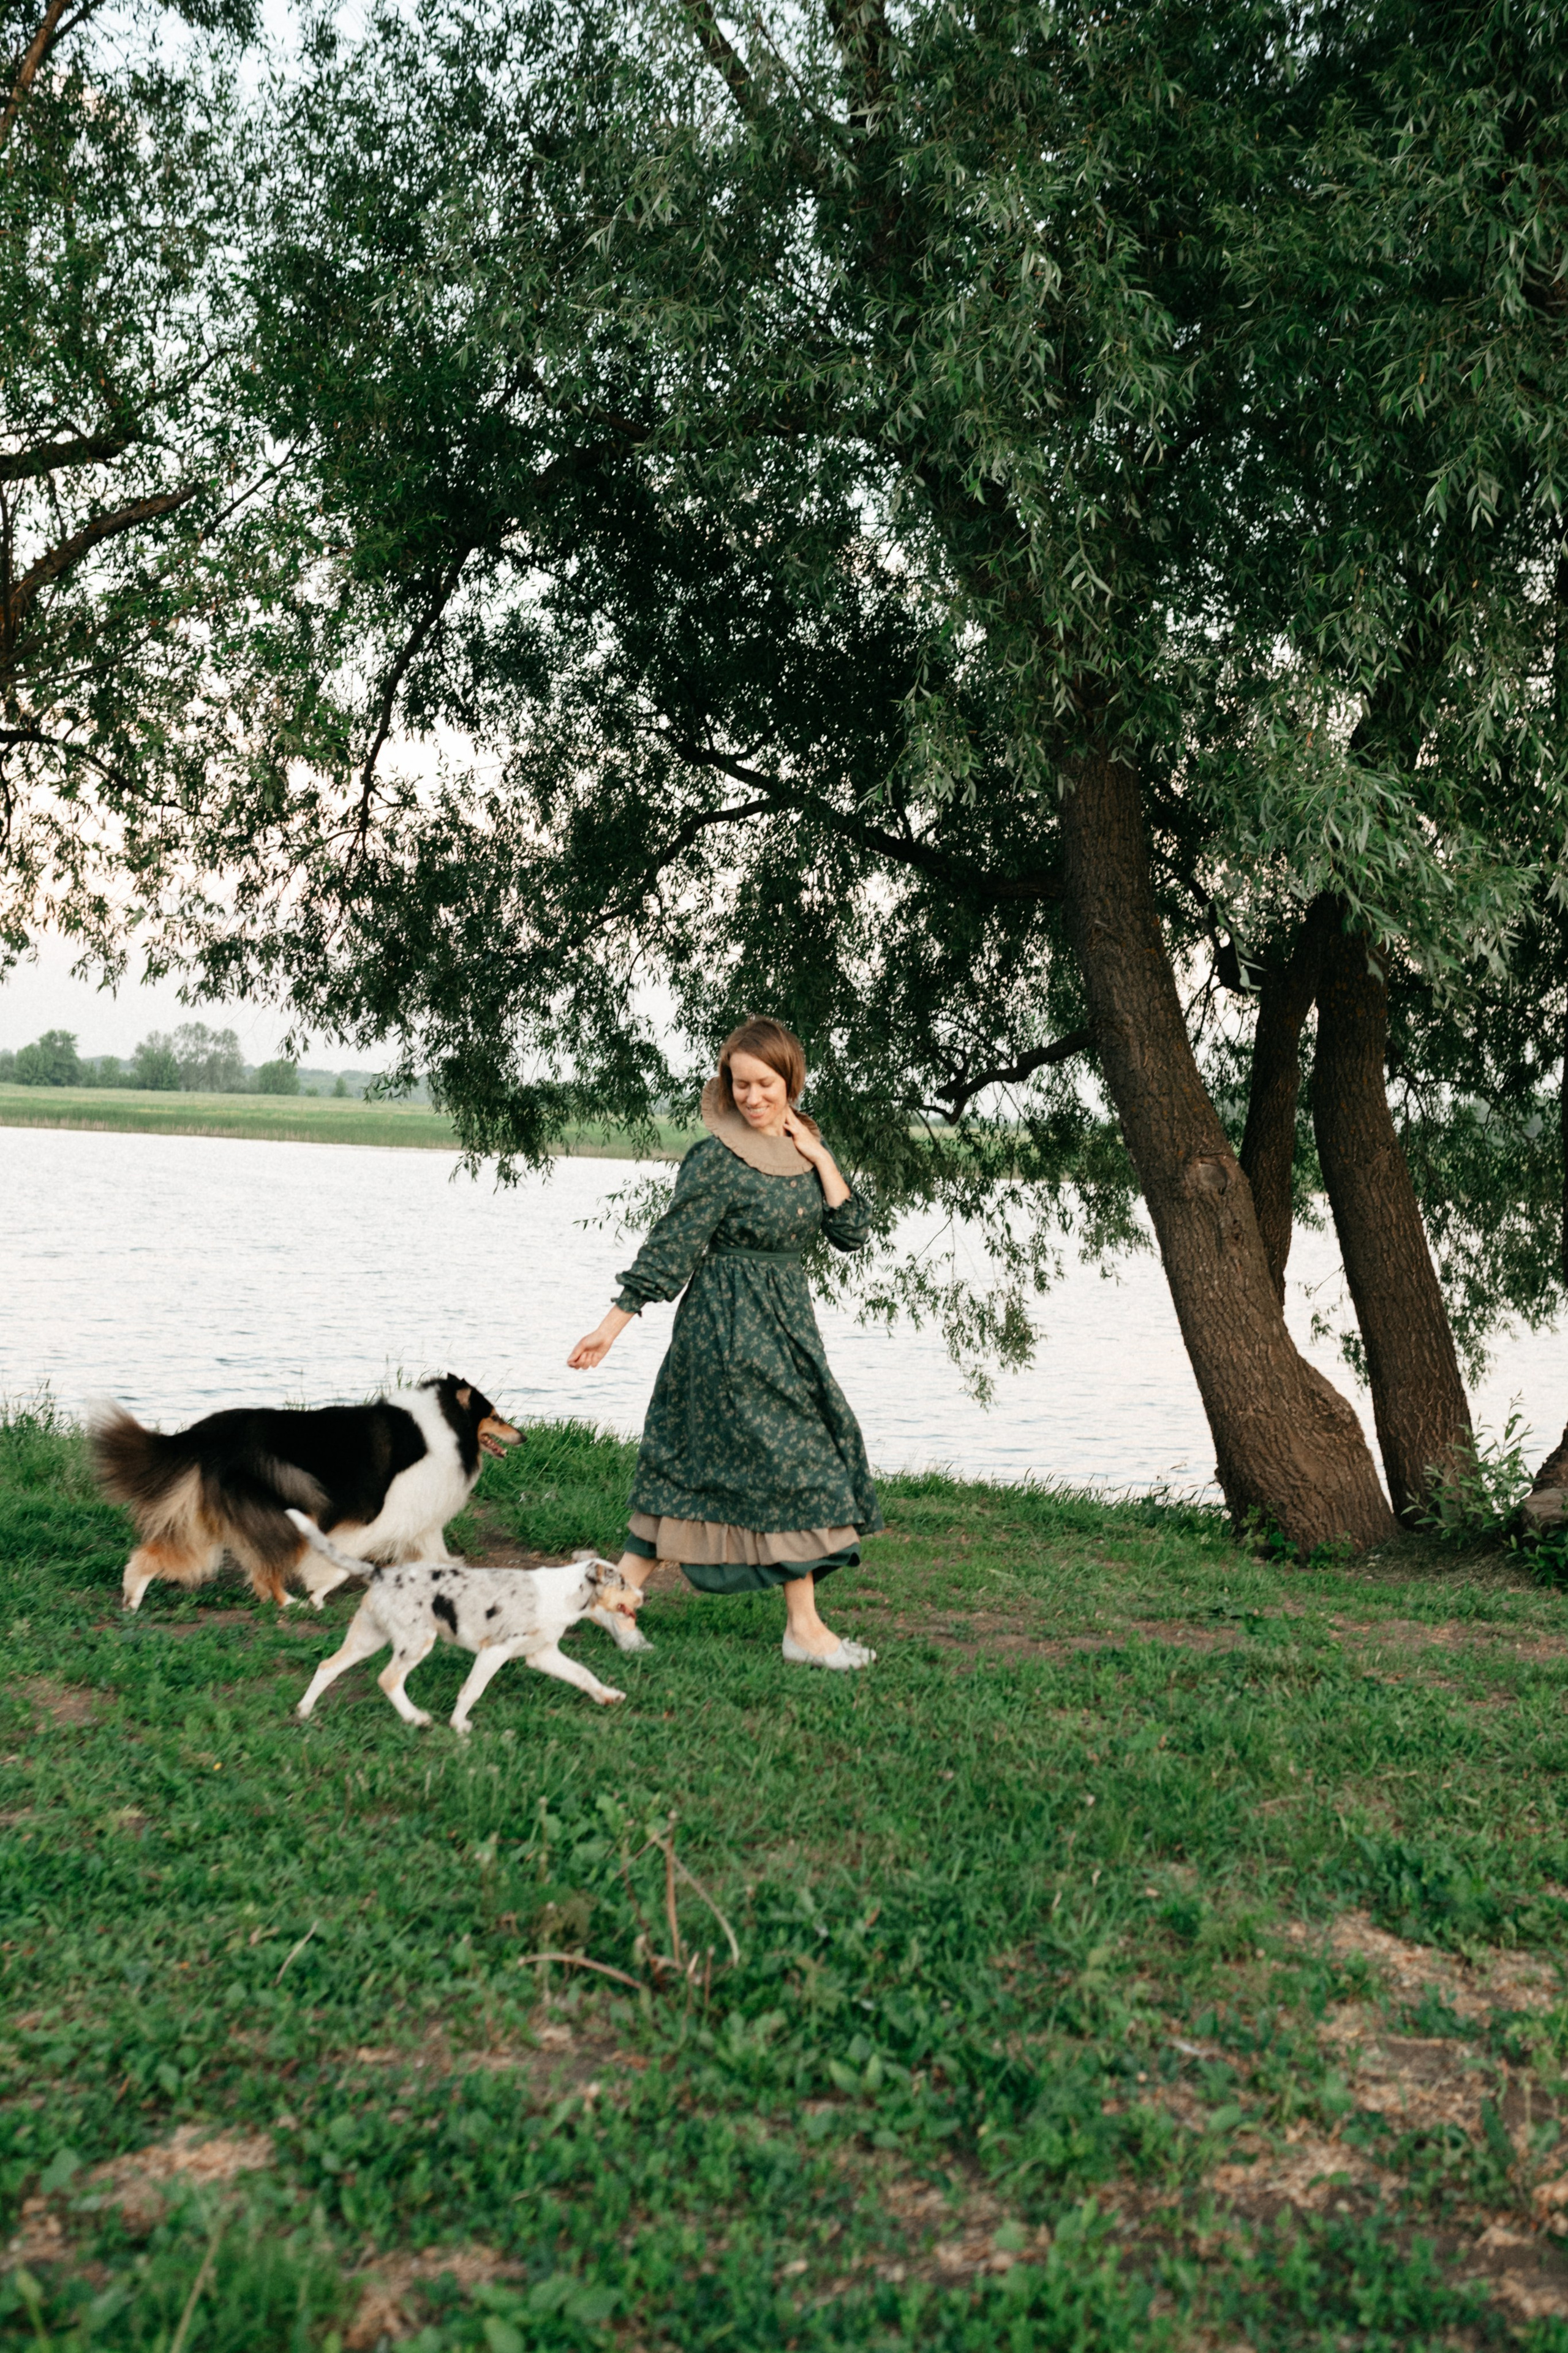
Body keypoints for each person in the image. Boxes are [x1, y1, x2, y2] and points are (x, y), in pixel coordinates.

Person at [567, 1018, 882, 1670]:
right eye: (739, 1083)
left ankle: (614, 1595)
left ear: (790, 1079)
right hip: (725, 1328)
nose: (751, 1096)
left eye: (764, 1083)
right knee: (793, 1465)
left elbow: (851, 1232)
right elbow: (673, 1245)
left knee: (698, 1469)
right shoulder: (715, 1158)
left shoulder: (805, 1147)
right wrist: (613, 1321)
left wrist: (822, 1157)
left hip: (787, 1326)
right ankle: (804, 1630)